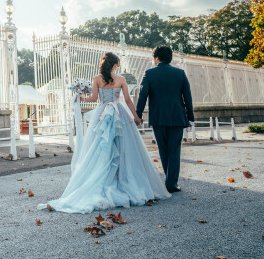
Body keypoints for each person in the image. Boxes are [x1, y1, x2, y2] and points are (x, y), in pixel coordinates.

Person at [40, 52, 170, 214]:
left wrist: (80, 98)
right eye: (118, 63)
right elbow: (128, 101)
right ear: (115, 64)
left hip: (102, 114)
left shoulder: (96, 79)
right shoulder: (121, 79)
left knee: (101, 147)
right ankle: (122, 179)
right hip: (119, 113)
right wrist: (136, 116)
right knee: (124, 148)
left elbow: (94, 99)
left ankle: (105, 177)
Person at [135, 45, 195, 193]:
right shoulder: (180, 73)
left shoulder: (149, 73)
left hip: (158, 117)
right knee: (175, 149)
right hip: (177, 117)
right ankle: (171, 183)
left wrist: (138, 115)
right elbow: (187, 97)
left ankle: (169, 180)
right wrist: (190, 117)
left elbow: (142, 96)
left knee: (163, 149)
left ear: (156, 58)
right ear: (170, 58)